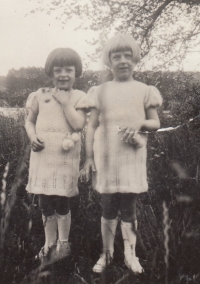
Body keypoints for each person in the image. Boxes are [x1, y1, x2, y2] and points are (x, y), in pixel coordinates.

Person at [80, 34, 162, 273]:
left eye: (128, 56)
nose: (123, 61)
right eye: (117, 57)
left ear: (135, 59)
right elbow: (92, 126)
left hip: (131, 156)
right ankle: (106, 253)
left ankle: (130, 254)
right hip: (106, 156)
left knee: (128, 207)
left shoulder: (145, 90)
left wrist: (139, 123)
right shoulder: (99, 90)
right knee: (107, 206)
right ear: (109, 61)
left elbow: (155, 123)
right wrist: (89, 158)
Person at [25, 48, 86, 261]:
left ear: (76, 72)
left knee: (62, 200)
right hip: (42, 157)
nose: (63, 74)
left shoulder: (79, 97)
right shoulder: (40, 95)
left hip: (65, 157)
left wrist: (65, 101)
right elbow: (30, 121)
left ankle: (63, 243)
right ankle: (48, 242)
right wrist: (32, 136)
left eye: (68, 69)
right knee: (44, 201)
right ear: (50, 72)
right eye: (58, 69)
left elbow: (78, 124)